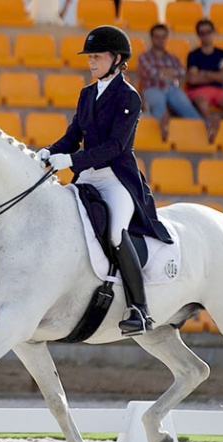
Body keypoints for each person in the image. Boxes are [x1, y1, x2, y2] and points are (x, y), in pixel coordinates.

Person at [36, 25, 173, 337]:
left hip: (115, 179)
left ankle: (140, 309)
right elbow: (73, 136)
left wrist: (71, 160)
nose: (91, 62)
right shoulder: (87, 94)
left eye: (97, 56)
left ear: (117, 59)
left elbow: (115, 147)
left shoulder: (129, 97)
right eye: (90, 57)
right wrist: (47, 152)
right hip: (86, 175)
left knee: (114, 232)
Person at [138, 23, 201, 140]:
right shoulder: (144, 57)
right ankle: (160, 133)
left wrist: (162, 73)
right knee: (158, 103)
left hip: (171, 89)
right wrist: (168, 73)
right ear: (151, 38)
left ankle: (201, 130)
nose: (160, 40)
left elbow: (182, 72)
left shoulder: (173, 57)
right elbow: (150, 73)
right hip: (152, 88)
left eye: (163, 37)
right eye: (157, 37)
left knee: (186, 105)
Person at [186, 19, 223, 141]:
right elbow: (194, 79)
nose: (206, 35)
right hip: (199, 91)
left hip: (218, 91)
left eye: (208, 32)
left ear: (214, 32)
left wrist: (205, 74)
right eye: (202, 33)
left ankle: (218, 128)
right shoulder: (193, 55)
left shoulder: (222, 54)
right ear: (198, 35)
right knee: (202, 103)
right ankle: (211, 125)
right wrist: (216, 75)